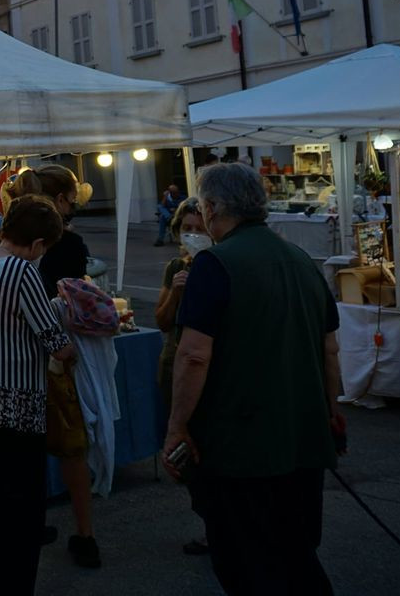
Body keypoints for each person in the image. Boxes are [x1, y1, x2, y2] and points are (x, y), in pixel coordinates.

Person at [162, 161, 345, 595]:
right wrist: (332, 412)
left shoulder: (215, 263)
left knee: (248, 565)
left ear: (211, 207)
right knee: (296, 556)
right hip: (303, 438)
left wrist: (176, 426)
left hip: (241, 446)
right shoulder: (301, 260)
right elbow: (330, 349)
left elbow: (192, 357)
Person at [0, 195, 75, 596]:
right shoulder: (22, 272)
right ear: (38, 243)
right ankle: (16, 585)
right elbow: (55, 342)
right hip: (16, 408)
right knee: (23, 509)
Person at [9, 164, 103, 568]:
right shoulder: (71, 244)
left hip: (20, 358)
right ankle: (85, 534)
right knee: (71, 447)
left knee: (26, 450)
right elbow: (78, 302)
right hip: (57, 355)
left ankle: (32, 523)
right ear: (63, 200)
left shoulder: (13, 245)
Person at [153, 195, 211, 555]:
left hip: (202, 365)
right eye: (186, 229)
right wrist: (175, 294)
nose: (191, 235)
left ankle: (216, 523)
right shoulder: (175, 266)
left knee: (207, 444)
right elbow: (160, 321)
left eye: (198, 228)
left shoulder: (218, 265)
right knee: (183, 448)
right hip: (173, 361)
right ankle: (206, 516)